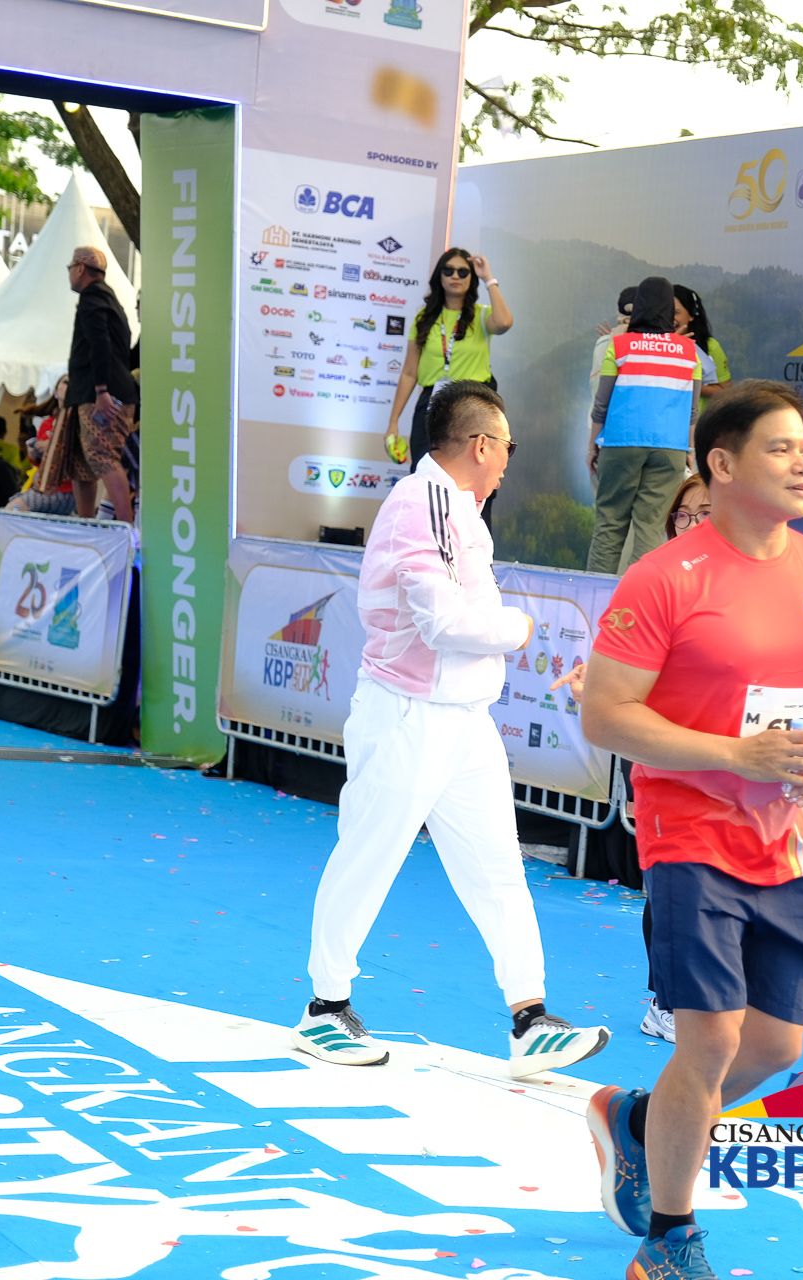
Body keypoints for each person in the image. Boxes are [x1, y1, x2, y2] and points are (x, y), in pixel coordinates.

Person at [579, 381, 803, 1280]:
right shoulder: (666, 577)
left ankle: (640, 1121)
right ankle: (668, 1240)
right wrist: (732, 755)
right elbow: (604, 713)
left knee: (775, 1046)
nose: (802, 463)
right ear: (723, 464)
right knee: (707, 1039)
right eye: (780, 448)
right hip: (690, 835)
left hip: (793, 840)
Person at [293, 380, 608, 1079]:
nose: (508, 464)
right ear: (482, 445)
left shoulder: (455, 508)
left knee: (498, 869)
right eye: (508, 448)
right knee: (369, 854)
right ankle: (325, 1008)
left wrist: (503, 629)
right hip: (409, 713)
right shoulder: (425, 503)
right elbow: (446, 623)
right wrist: (519, 627)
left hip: (461, 719)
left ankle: (531, 1019)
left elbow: (456, 620)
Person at [551, 474, 713, 1045]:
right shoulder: (655, 580)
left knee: (714, 889)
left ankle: (701, 999)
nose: (691, 524)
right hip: (658, 754)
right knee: (671, 884)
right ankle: (666, 1000)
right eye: (684, 515)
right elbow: (620, 669)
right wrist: (593, 687)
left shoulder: (744, 589)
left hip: (721, 760)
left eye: (705, 513)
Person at [585, 277, 701, 576]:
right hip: (670, 448)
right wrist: (689, 450)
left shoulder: (619, 346)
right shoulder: (690, 352)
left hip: (620, 443)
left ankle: (594, 595)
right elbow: (692, 412)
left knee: (610, 523)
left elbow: (601, 404)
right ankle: (637, 598)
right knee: (651, 527)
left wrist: (592, 445)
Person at [386, 247, 513, 469]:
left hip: (473, 404)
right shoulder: (424, 318)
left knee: (473, 472)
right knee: (425, 469)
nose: (455, 276)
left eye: (463, 272)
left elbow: (504, 323)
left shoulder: (482, 315)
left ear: (471, 278)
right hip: (432, 403)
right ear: (440, 276)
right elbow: (409, 373)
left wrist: (488, 278)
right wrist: (393, 422)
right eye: (448, 270)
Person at [47, 246, 137, 523]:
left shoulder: (92, 298)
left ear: (80, 268)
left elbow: (100, 343)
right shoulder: (111, 300)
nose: (70, 273)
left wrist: (102, 390)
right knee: (81, 465)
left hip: (98, 394)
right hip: (93, 392)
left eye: (70, 268)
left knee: (103, 456)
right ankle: (87, 525)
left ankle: (126, 527)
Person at [5, 378, 78, 515]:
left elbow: (79, 459)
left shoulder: (78, 423)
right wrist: (34, 455)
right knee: (12, 508)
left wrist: (53, 449)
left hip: (66, 489)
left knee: (10, 511)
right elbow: (39, 463)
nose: (68, 386)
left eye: (71, 383)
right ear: (55, 391)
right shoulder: (46, 424)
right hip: (43, 486)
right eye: (65, 382)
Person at [673, 284, 731, 406]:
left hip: (698, 417)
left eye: (675, 312)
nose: (669, 318)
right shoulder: (654, 345)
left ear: (691, 315)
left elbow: (725, 391)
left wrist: (691, 384)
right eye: (664, 312)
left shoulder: (710, 347)